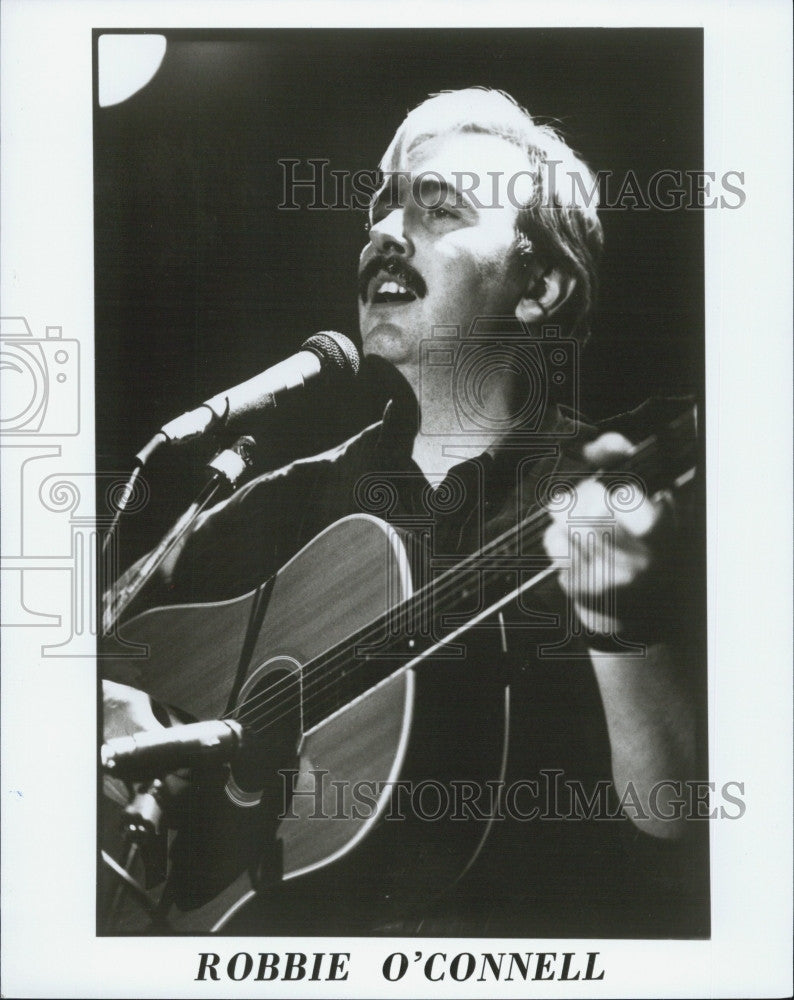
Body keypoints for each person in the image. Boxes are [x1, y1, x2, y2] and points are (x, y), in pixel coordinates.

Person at [101, 88, 707, 937]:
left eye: (438, 207)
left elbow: (683, 821)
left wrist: (624, 624)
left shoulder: (627, 507)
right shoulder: (283, 504)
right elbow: (92, 652)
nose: (385, 229)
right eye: (382, 205)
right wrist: (101, 706)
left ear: (539, 285)